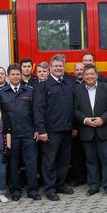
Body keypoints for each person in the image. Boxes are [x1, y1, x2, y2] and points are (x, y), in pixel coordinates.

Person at [33, 54, 75, 201]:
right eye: (55, 66)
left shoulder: (68, 83)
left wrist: (74, 126)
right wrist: (41, 130)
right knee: (49, 161)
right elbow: (38, 109)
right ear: (50, 68)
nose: (58, 68)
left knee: (64, 160)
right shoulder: (43, 85)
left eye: (61, 66)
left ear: (64, 67)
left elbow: (73, 106)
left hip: (67, 129)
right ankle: (49, 188)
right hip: (51, 132)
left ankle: (60, 184)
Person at [74, 64, 107, 198]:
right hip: (87, 130)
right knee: (90, 160)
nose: (89, 76)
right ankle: (93, 185)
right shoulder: (78, 90)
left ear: (97, 74)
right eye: (87, 74)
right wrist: (85, 120)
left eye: (92, 74)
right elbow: (75, 109)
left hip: (105, 129)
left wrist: (102, 119)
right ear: (84, 76)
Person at [0, 63, 40, 201]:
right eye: (13, 74)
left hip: (28, 133)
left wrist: (37, 129)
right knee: (13, 164)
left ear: (21, 75)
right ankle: (15, 191)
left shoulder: (29, 91)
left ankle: (33, 191)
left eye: (17, 74)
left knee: (31, 163)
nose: (15, 77)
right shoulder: (2, 93)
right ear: (8, 76)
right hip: (11, 135)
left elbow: (36, 112)